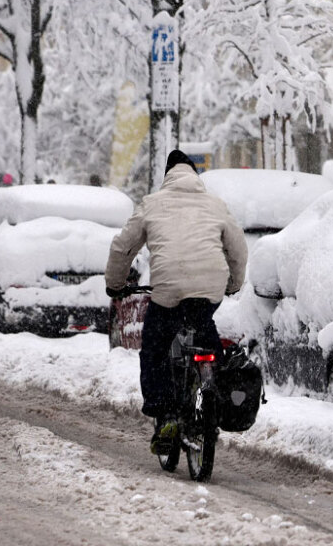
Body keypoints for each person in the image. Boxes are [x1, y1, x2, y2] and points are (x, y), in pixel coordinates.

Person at [105, 149, 249, 454]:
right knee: (206, 334)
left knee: (155, 348)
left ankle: (166, 414)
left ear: (167, 176)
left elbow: (122, 248)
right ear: (194, 175)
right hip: (210, 288)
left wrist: (115, 285)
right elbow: (238, 249)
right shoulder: (215, 204)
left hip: (169, 290)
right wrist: (233, 284)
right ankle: (216, 390)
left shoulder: (153, 204)